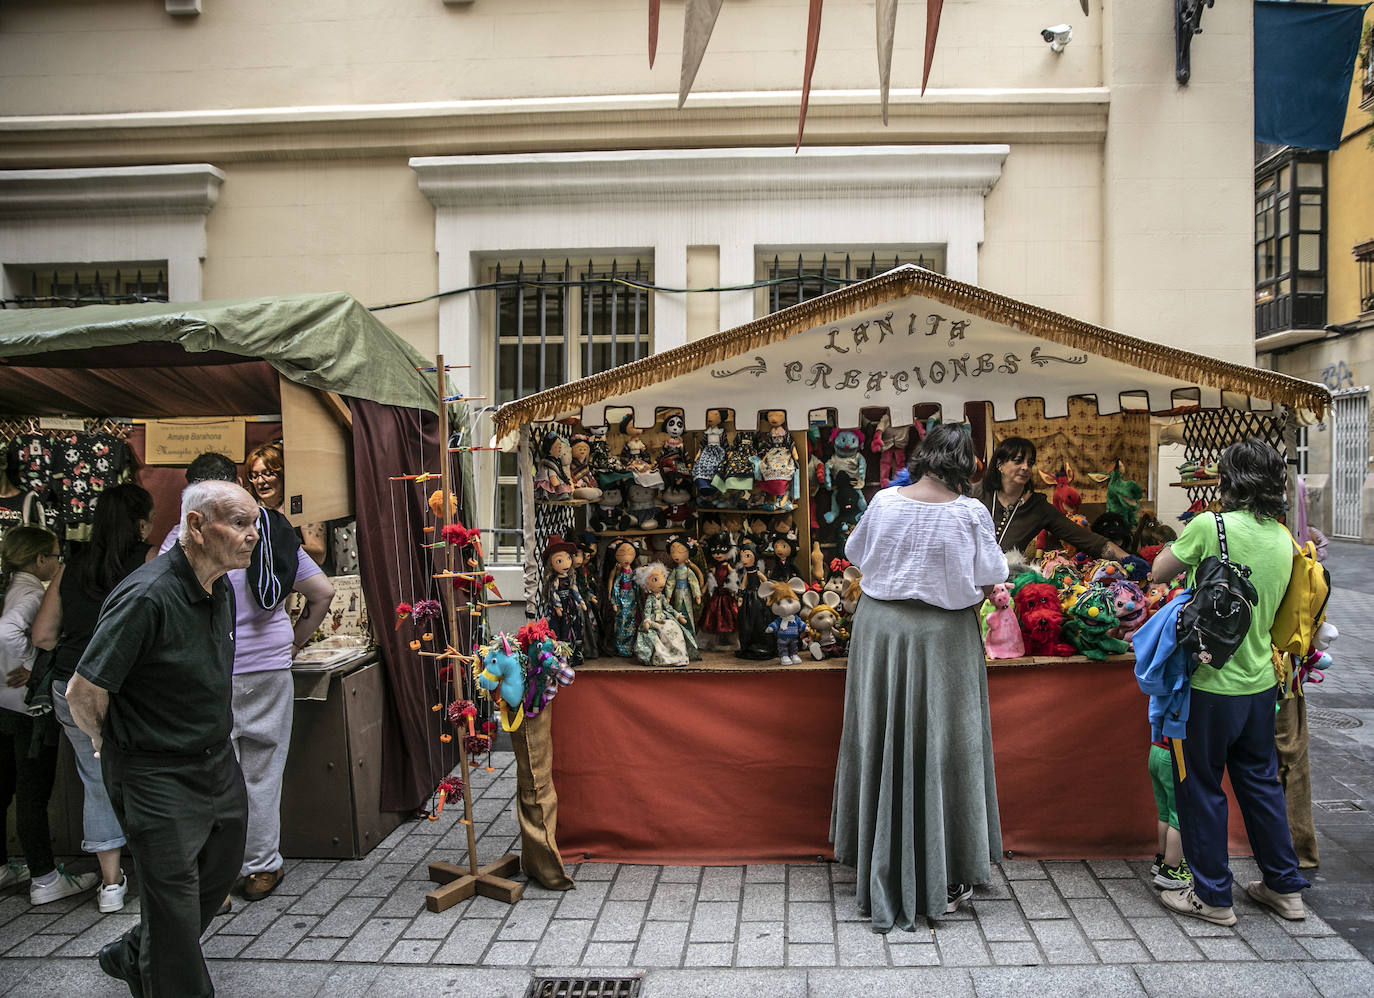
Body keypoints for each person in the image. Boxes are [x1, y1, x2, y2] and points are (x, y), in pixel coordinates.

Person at [67, 480, 255, 997]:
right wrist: (113, 745)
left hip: (215, 762)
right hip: (155, 771)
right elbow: (83, 690)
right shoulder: (147, 594)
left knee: (218, 874)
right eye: (239, 523)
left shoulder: (219, 587)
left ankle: (132, 953)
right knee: (172, 907)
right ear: (196, 526)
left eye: (253, 523)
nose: (253, 535)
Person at [830, 425, 1009, 931]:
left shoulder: (885, 502)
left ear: (924, 456)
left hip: (882, 630)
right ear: (967, 464)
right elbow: (989, 575)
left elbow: (857, 554)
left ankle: (877, 856)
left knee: (879, 739)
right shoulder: (971, 513)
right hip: (944, 636)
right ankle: (944, 867)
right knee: (947, 744)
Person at [1150, 438, 1310, 927]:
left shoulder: (1210, 525)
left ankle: (1215, 898)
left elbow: (1160, 570)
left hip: (1207, 687)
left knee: (1199, 787)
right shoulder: (1284, 538)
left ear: (1228, 480)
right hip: (1261, 685)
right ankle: (1285, 890)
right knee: (1260, 785)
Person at [161, 452, 334, 904]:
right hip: (268, 667)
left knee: (212, 778)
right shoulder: (270, 530)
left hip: (208, 670)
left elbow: (159, 596)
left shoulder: (181, 539)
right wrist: (292, 642)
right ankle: (261, 867)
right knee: (261, 772)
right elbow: (322, 592)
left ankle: (214, 879)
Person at [30, 483, 156, 913]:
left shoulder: (71, 567)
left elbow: (43, 634)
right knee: (149, 774)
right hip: (127, 687)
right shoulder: (148, 559)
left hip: (71, 684)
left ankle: (110, 885)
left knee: (95, 777)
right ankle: (159, 870)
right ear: (140, 523)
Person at [0, 525, 98, 905]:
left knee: (9, 786)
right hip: (28, 707)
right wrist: (31, 665)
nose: (59, 563)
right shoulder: (28, 592)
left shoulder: (14, 587)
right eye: (56, 557)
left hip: (8, 703)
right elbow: (9, 633)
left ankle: (8, 866)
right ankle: (43, 877)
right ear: (39, 559)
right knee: (32, 791)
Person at [978, 437, 1129, 560]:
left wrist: (1130, 560)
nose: (1025, 467)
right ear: (1000, 464)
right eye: (1018, 461)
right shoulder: (978, 495)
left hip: (1004, 589)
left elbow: (1088, 540)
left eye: (1030, 463)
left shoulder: (1038, 507)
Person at [244, 440, 326, 565]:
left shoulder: (302, 507)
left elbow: (319, 555)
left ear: (283, 473)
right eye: (254, 475)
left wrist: (277, 545)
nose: (260, 481)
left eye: (267, 473)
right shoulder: (249, 510)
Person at [1147, 736, 1192, 890]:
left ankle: (1161, 858)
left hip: (1156, 750)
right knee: (1180, 815)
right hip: (1175, 755)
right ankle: (1171, 870)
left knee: (1165, 813)